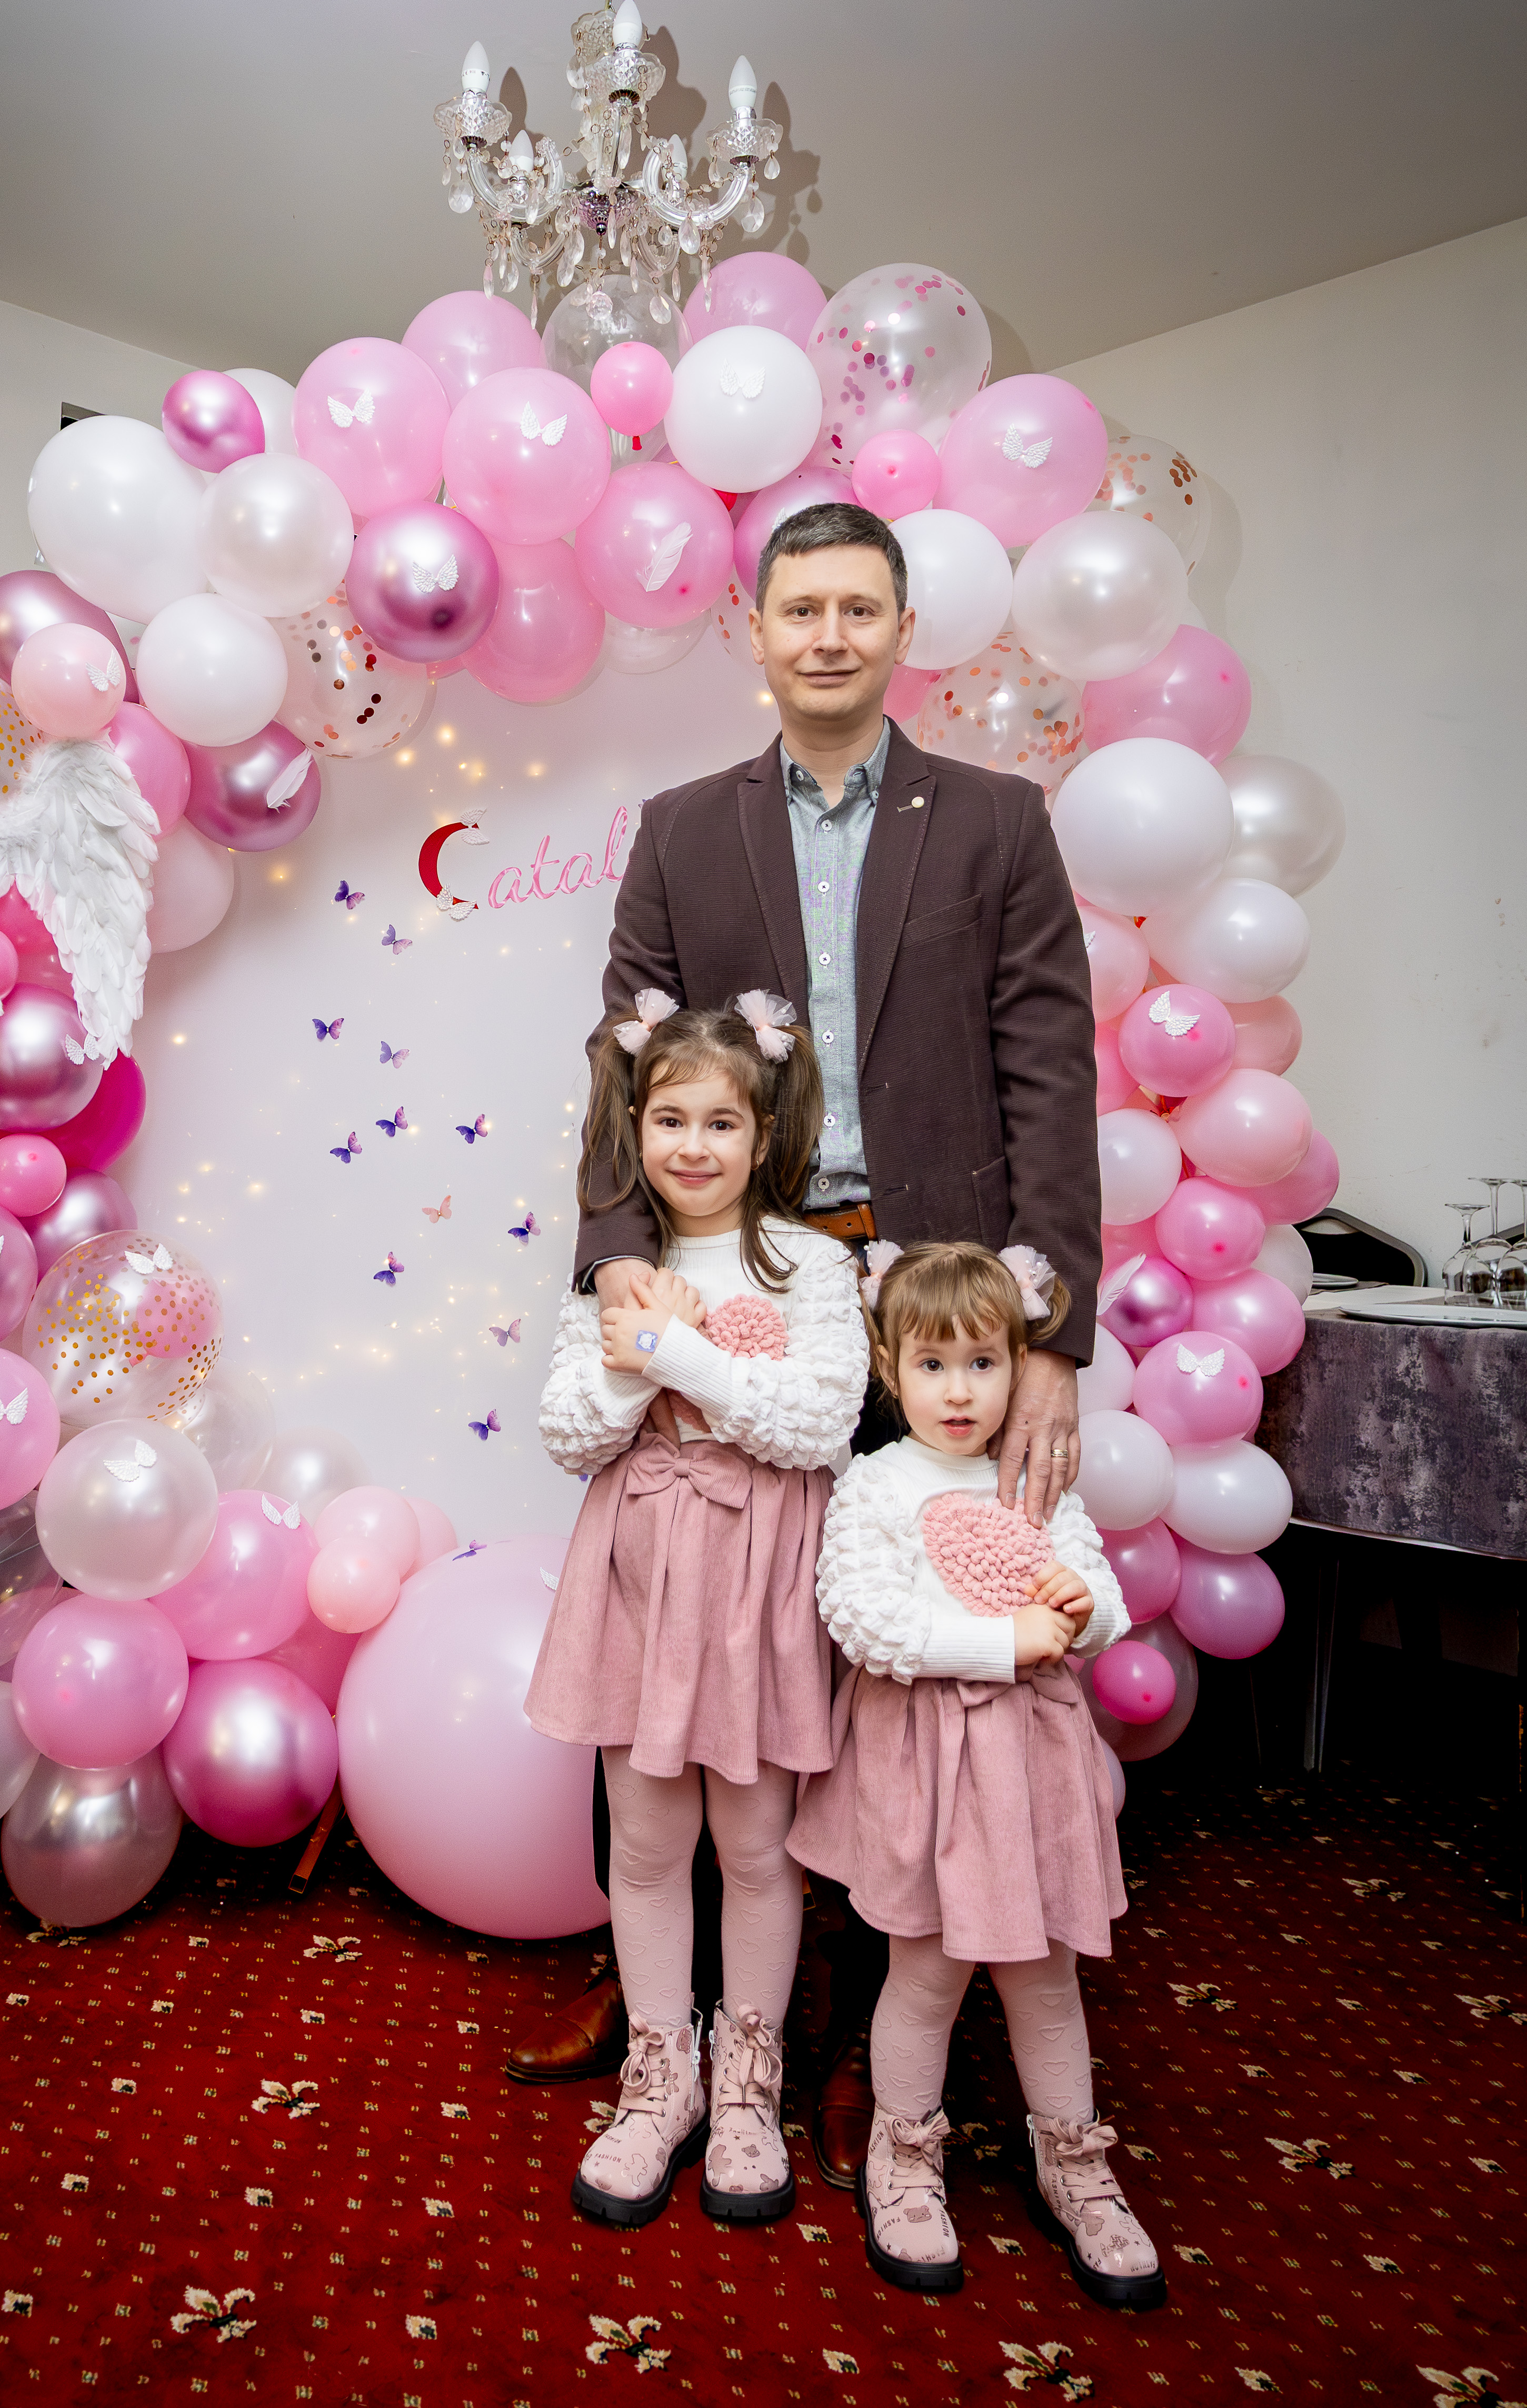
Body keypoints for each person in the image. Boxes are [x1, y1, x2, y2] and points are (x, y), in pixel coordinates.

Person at [507, 498, 1102, 2193]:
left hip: (928, 1301)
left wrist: (1047, 1332)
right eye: (798, 609)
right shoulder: (682, 829)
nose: (827, 636)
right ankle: (660, 2002)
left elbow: (1047, 1068)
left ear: (901, 629)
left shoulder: (993, 820)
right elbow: (622, 1067)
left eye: (857, 608)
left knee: (879, 1665)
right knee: (678, 1617)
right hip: (739, 1266)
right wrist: (620, 1278)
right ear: (753, 633)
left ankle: (841, 2033)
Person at [525, 993, 870, 2227]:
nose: (693, 1144)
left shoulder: (814, 1265)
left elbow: (816, 1423)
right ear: (634, 1123)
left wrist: (673, 1355)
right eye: (669, 1117)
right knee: (647, 1839)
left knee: (758, 1843)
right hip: (643, 1571)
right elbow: (571, 1429)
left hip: (760, 1581)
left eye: (722, 1121)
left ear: (764, 1131)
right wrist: (634, 1357)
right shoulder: (618, 1271)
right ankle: (659, 2070)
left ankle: (746, 2081)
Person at [787, 1238, 1163, 2310]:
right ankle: (905, 2152)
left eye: (983, 1363)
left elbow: (1099, 1597)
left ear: (1017, 1366)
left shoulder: (1032, 1480)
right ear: (888, 1368)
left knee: (1044, 1973)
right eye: (932, 1364)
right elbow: (862, 1620)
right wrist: (1004, 1642)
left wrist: (1080, 1607)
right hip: (928, 1765)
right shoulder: (874, 1483)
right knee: (927, 1970)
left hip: (1033, 1768)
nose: (959, 1391)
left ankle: (1072, 2159)